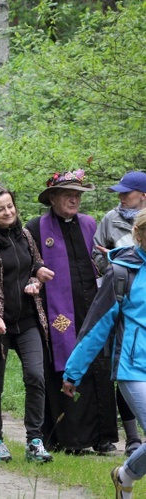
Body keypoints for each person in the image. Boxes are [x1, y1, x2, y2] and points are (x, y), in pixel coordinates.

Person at [26, 170, 118, 454]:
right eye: (68, 194)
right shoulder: (36, 228)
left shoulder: (90, 224)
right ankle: (71, 440)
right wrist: (34, 277)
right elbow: (27, 264)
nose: (74, 200)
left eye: (78, 195)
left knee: (98, 368)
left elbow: (103, 259)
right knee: (66, 368)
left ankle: (102, 438)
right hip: (60, 316)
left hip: (93, 308)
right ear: (52, 198)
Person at [62, 207, 146, 499]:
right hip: (133, 368)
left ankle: (125, 475)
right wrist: (74, 371)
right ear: (139, 235)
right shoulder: (122, 273)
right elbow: (96, 326)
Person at [0, 186, 55, 463]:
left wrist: (37, 278)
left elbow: (34, 265)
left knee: (36, 377)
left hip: (27, 319)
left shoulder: (25, 235)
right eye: (1, 208)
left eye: (10, 206)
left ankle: (35, 441)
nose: (8, 212)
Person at [92, 170, 146, 455]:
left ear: (143, 196)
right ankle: (133, 437)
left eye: (128, 192)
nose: (122, 197)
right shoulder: (109, 219)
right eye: (120, 192)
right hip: (123, 300)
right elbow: (97, 253)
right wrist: (115, 272)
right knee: (125, 365)